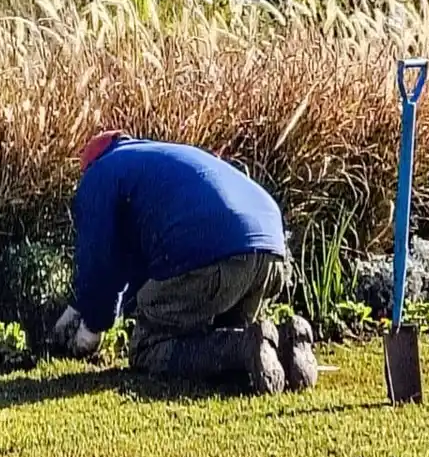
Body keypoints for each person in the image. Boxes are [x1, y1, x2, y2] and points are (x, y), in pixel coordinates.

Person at [51, 131, 318, 394]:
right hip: (270, 247)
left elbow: (100, 257)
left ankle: (245, 345)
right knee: (220, 334)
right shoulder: (153, 161)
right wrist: (79, 305)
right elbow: (131, 264)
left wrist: (93, 328)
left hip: (211, 250)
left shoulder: (99, 174)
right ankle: (288, 341)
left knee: (149, 347)